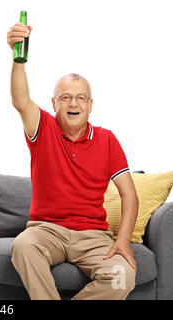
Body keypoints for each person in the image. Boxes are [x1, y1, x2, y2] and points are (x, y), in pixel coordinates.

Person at [7, 23, 138, 300]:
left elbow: (129, 195)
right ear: (54, 103)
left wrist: (123, 241)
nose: (73, 103)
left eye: (80, 98)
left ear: (90, 104)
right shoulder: (43, 127)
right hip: (46, 231)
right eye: (65, 97)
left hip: (93, 236)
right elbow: (21, 100)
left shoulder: (107, 139)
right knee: (22, 246)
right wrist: (17, 57)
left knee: (121, 278)